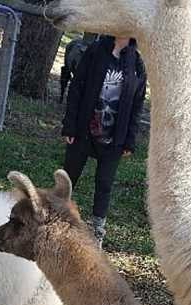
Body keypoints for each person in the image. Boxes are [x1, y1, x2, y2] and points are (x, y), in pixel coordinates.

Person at [62, 35, 147, 247]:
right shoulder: (95, 51)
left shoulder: (136, 63)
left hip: (113, 140)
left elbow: (137, 105)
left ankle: (97, 233)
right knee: (69, 177)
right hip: (83, 132)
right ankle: (57, 217)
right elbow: (77, 88)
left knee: (104, 185)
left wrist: (129, 140)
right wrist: (70, 125)